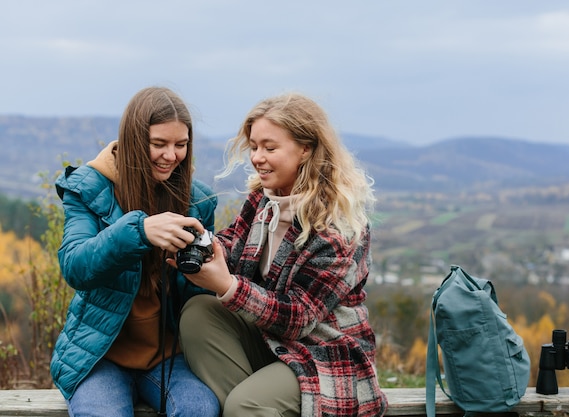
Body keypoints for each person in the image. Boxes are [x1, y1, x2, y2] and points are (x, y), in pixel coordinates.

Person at [173, 93, 388, 417]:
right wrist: (198, 242)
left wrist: (226, 285)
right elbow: (233, 243)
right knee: (199, 312)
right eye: (254, 147)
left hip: (323, 353)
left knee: (245, 405)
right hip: (268, 340)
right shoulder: (265, 197)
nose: (257, 158)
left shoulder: (338, 229)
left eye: (269, 148)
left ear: (306, 148)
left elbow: (298, 317)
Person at [50, 86, 220, 417]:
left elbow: (197, 294)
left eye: (181, 145)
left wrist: (211, 271)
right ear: (133, 140)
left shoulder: (198, 201)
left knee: (200, 409)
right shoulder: (88, 188)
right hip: (101, 355)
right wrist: (139, 231)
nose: (171, 155)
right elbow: (75, 266)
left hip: (171, 355)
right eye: (159, 144)